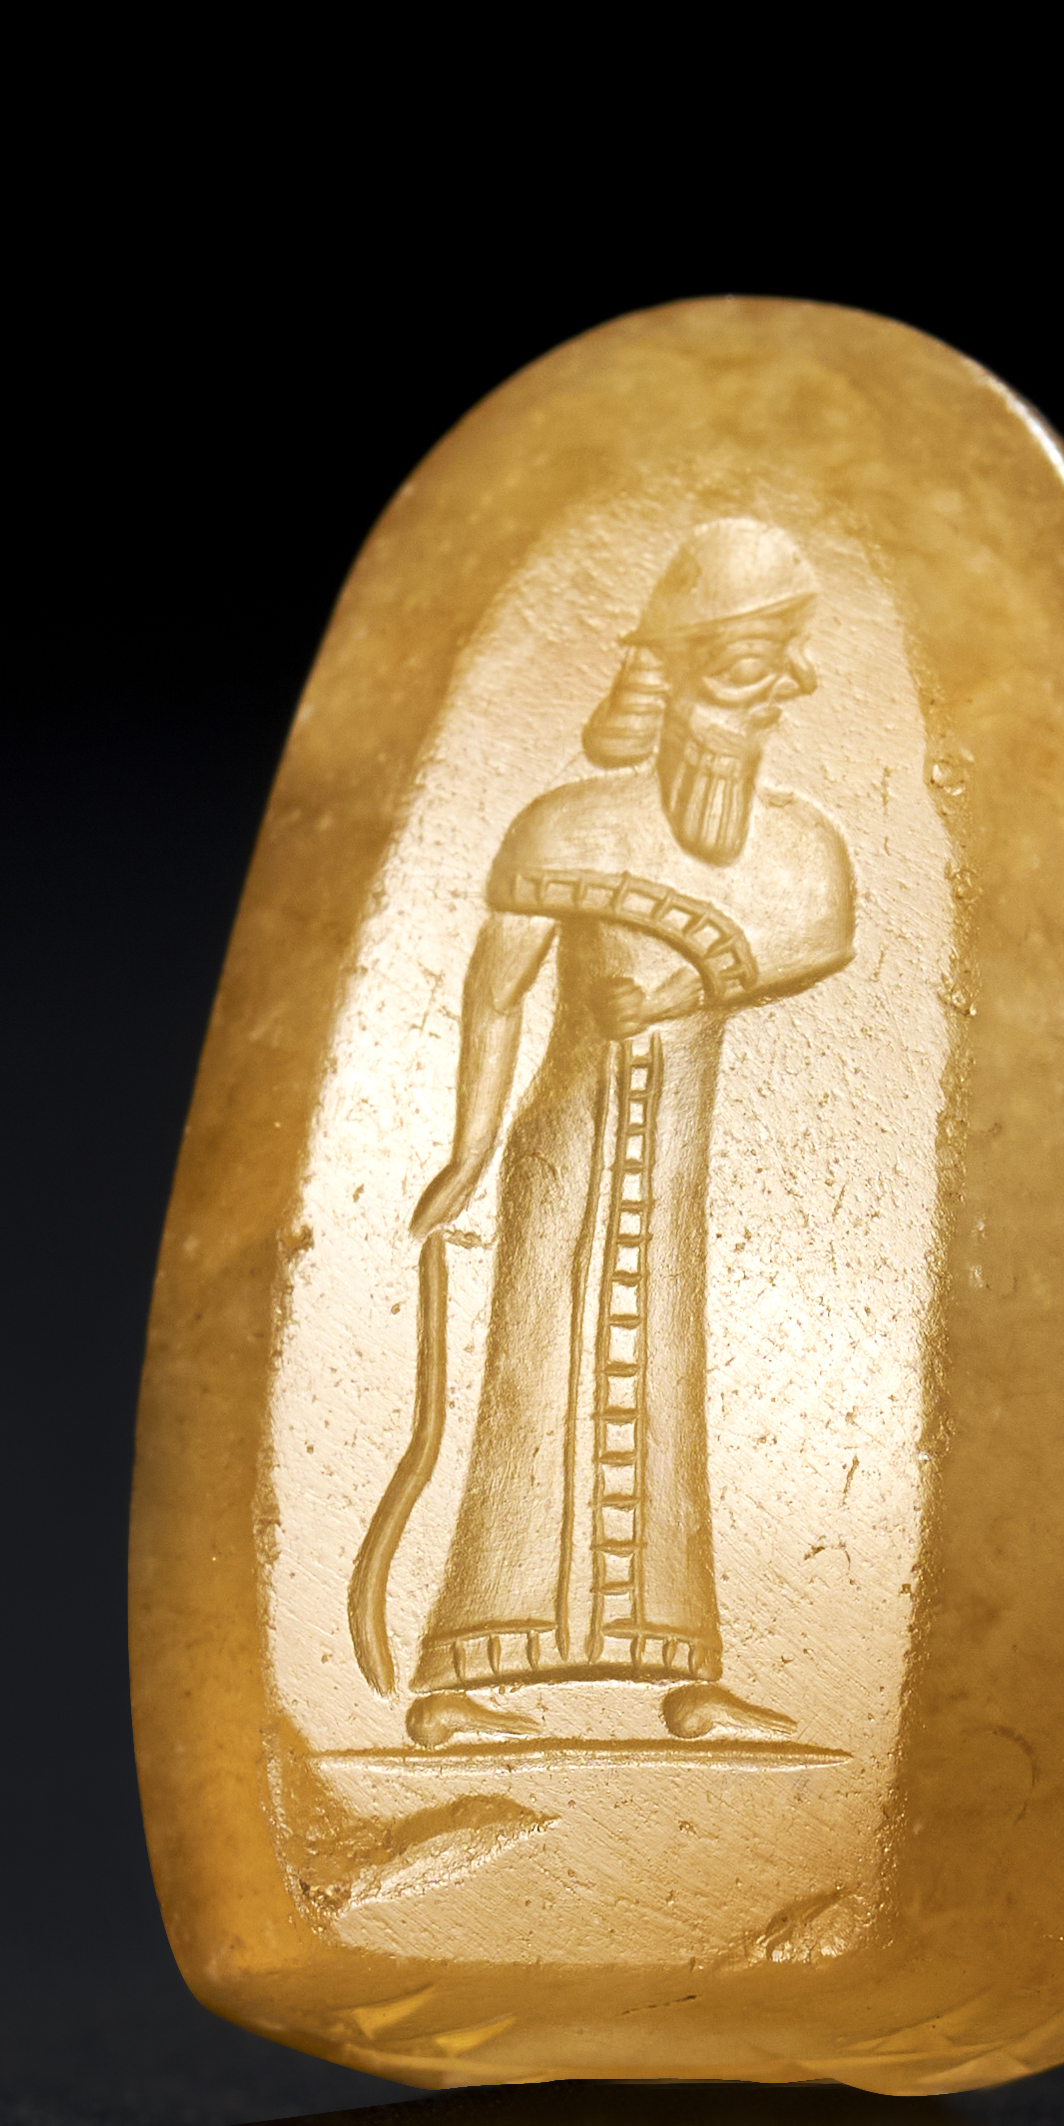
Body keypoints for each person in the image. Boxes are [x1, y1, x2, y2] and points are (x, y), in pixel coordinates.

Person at [388, 518, 857, 1750]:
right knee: (534, 1386)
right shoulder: (564, 827)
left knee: (663, 1396)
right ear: (672, 674)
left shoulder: (803, 850)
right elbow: (495, 993)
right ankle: (460, 1674)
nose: (785, 689)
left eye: (789, 661)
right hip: (564, 1144)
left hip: (679, 1160)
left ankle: (686, 1674)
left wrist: (695, 981)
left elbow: (809, 939)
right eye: (752, 664)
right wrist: (468, 1148)